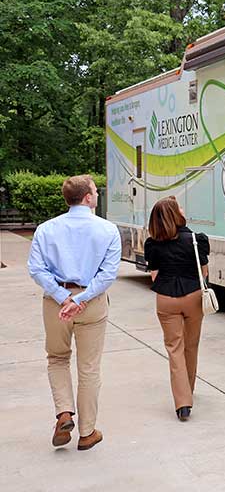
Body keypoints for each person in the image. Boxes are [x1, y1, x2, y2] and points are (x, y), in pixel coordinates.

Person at [27, 175, 121, 451]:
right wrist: (80, 298)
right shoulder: (107, 230)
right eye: (95, 191)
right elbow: (107, 275)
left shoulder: (46, 229)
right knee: (89, 368)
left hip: (56, 303)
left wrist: (62, 297)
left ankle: (64, 413)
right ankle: (87, 431)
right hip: (91, 303)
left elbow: (36, 269)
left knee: (57, 358)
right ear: (89, 198)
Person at [144, 196, 209, 421]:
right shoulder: (195, 239)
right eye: (179, 206)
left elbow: (154, 275)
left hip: (166, 299)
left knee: (175, 348)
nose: (183, 208)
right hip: (193, 296)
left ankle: (183, 404)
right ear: (175, 214)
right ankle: (188, 391)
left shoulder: (152, 244)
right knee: (191, 346)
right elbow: (205, 272)